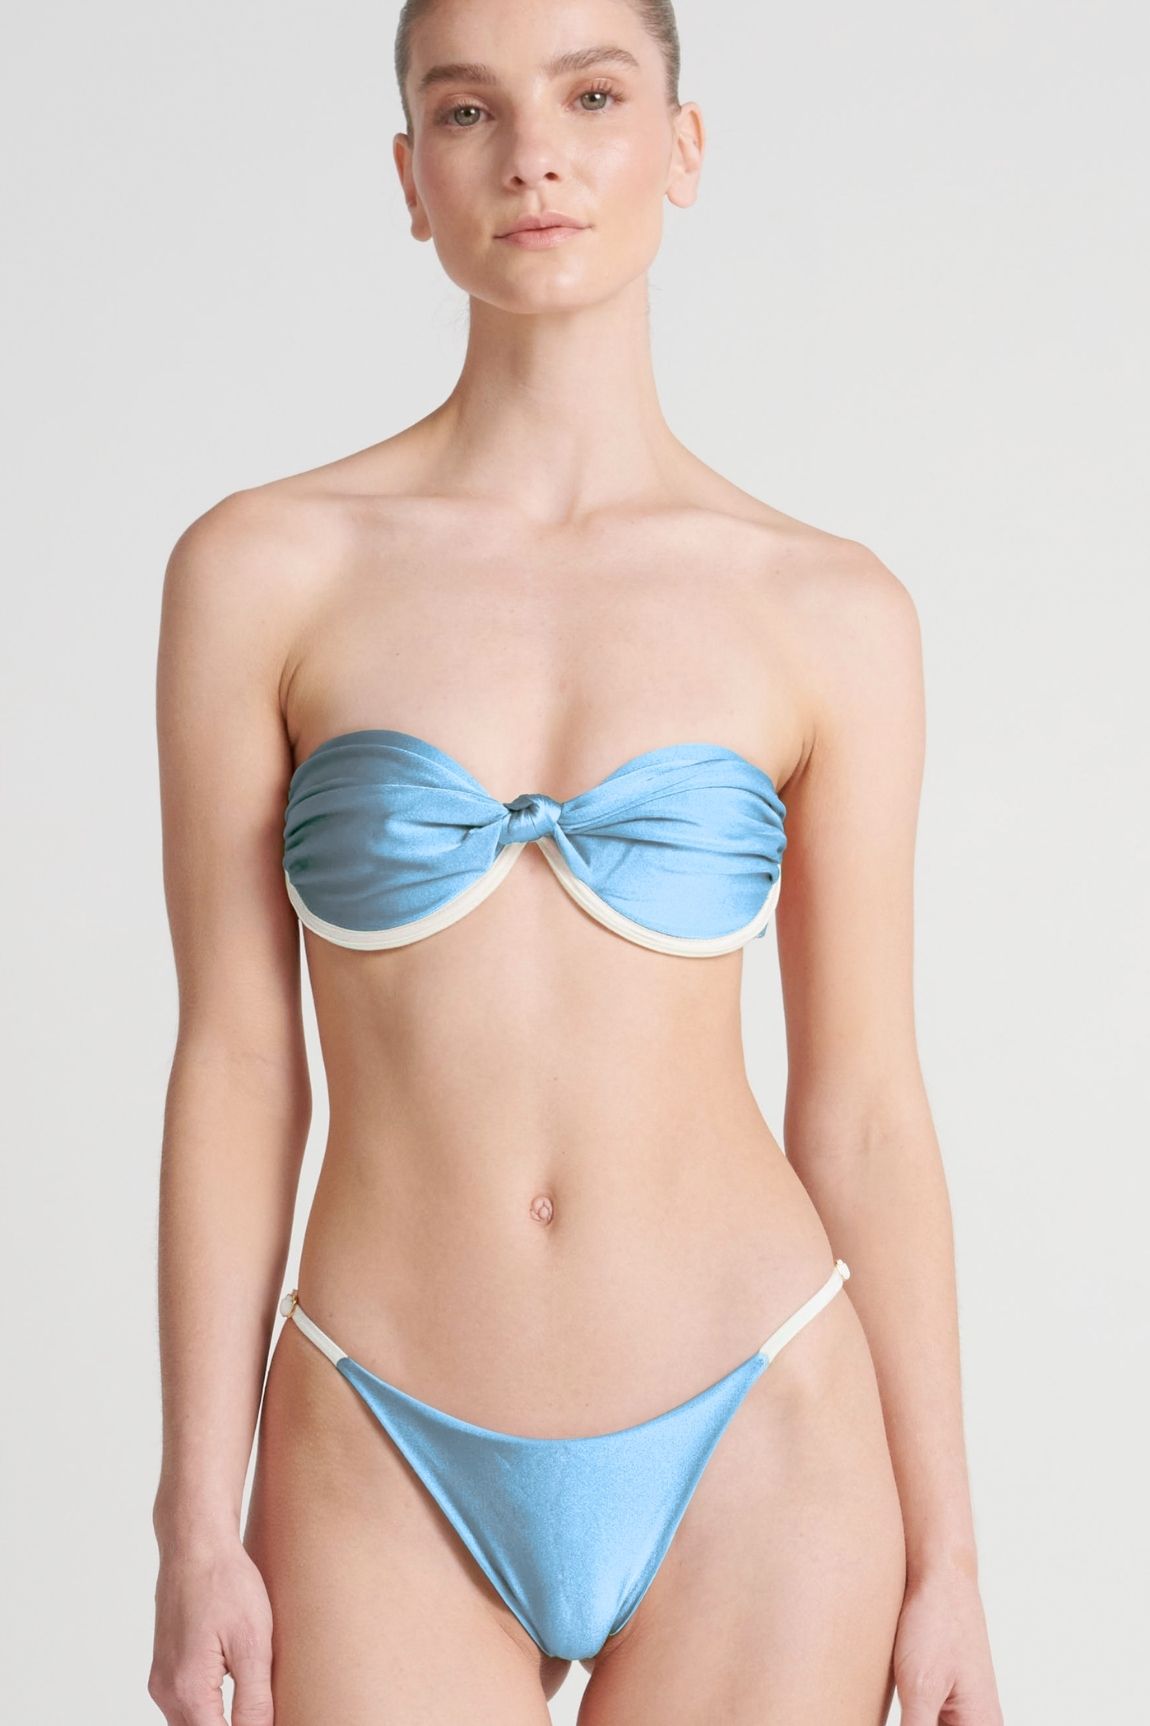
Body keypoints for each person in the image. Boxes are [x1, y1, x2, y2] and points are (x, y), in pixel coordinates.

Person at [148, 2, 1003, 1721]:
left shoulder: (828, 610)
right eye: (468, 111)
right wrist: (191, 1510)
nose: (533, 155)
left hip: (763, 1420)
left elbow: (861, 1104)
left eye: (592, 95)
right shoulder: (262, 571)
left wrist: (950, 1562)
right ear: (410, 175)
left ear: (682, 146)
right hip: (375, 1420)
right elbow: (239, 1059)